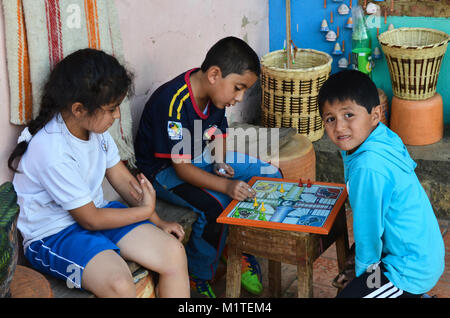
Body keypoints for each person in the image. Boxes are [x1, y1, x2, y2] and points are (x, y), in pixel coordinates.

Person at [8, 48, 189, 298]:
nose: (117, 116)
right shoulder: (51, 149)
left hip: (97, 212)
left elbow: (120, 177)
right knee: (119, 284)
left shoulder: (95, 130)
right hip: (52, 236)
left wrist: (157, 220)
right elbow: (90, 219)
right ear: (79, 109)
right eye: (112, 108)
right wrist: (145, 212)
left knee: (173, 253)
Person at [134, 36, 282, 297]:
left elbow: (219, 135)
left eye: (244, 90)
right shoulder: (174, 101)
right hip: (163, 172)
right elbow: (182, 169)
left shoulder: (215, 97)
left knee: (272, 174)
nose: (240, 97)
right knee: (216, 205)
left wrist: (220, 161)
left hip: (199, 157)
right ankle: (197, 275)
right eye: (238, 88)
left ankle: (236, 246)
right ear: (214, 74)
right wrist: (227, 184)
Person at [318, 70, 445, 298]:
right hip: (417, 251)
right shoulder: (379, 136)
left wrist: (362, 280)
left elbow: (368, 235)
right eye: (330, 119)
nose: (339, 127)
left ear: (375, 115)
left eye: (348, 115)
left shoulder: (368, 167)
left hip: (409, 268)